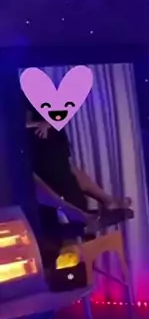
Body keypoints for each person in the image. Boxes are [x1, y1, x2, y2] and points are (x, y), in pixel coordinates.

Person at [25, 101, 131, 244]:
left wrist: (48, 122)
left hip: (42, 135)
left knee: (66, 169)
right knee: (34, 179)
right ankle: (82, 214)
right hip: (33, 142)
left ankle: (105, 201)